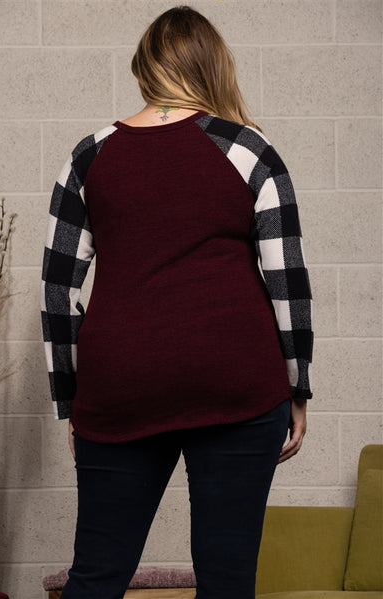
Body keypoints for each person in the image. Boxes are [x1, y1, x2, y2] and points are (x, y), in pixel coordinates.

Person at [41, 6, 313, 599]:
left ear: (144, 67)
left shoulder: (88, 156)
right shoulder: (249, 149)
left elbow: (58, 291)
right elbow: (286, 278)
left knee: (96, 576)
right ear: (213, 66)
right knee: (227, 581)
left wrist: (72, 401)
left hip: (121, 385)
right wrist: (298, 386)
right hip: (238, 385)